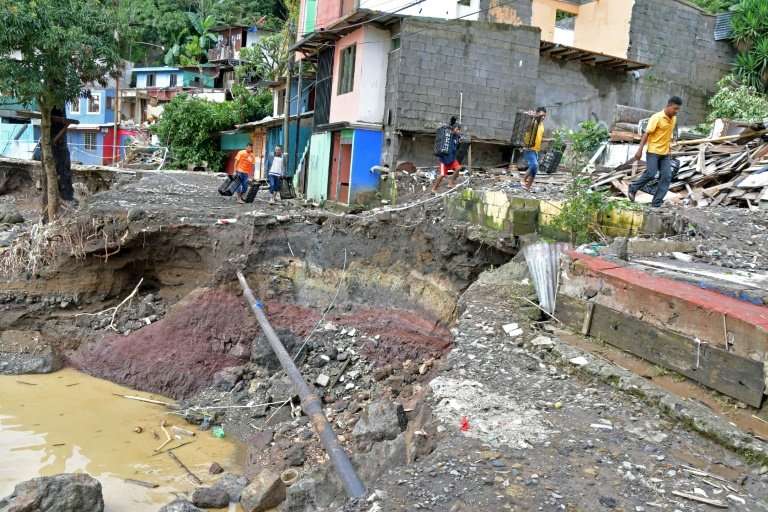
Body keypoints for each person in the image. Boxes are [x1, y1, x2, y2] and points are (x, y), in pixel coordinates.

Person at [628, 96, 683, 207]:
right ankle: (633, 188)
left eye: (678, 109)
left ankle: (656, 203)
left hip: (665, 154)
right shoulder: (656, 117)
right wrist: (640, 150)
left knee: (666, 177)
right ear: (668, 105)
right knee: (651, 173)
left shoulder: (674, 119)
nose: (676, 111)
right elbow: (646, 134)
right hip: (653, 151)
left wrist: (669, 149)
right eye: (675, 108)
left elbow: (667, 135)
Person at [521, 106, 546, 192]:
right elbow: (527, 128)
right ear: (537, 114)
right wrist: (531, 117)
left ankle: (528, 186)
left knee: (534, 169)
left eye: (544, 116)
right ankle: (523, 181)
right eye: (541, 115)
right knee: (534, 165)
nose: (542, 117)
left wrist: (549, 140)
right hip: (529, 148)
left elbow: (539, 138)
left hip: (536, 150)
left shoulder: (542, 125)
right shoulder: (533, 122)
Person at [432, 122, 462, 193]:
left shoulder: (457, 137)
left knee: (458, 168)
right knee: (442, 175)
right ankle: (434, 189)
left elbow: (456, 147)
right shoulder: (448, 135)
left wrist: (459, 143)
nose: (459, 131)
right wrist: (451, 124)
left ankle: (450, 183)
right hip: (444, 160)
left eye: (459, 130)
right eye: (457, 129)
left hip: (452, 159)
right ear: (453, 129)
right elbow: (448, 128)